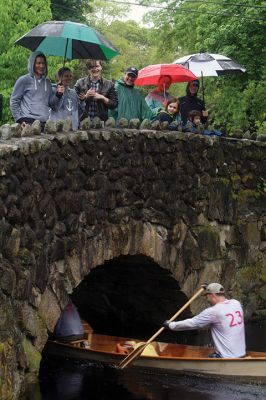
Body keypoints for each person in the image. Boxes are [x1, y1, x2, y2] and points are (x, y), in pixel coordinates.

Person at [163, 283, 246, 358]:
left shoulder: (213, 311)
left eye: (207, 296)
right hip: (241, 354)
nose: (207, 299)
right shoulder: (236, 303)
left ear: (212, 295)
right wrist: (209, 288)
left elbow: (192, 323)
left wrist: (171, 325)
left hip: (226, 357)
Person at [10, 51, 63, 131]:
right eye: (38, 63)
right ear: (32, 64)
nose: (41, 66)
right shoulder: (23, 80)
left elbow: (51, 104)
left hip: (44, 123)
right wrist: (19, 120)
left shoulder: (48, 82)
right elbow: (14, 101)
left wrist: (58, 95)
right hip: (28, 122)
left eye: (43, 63)